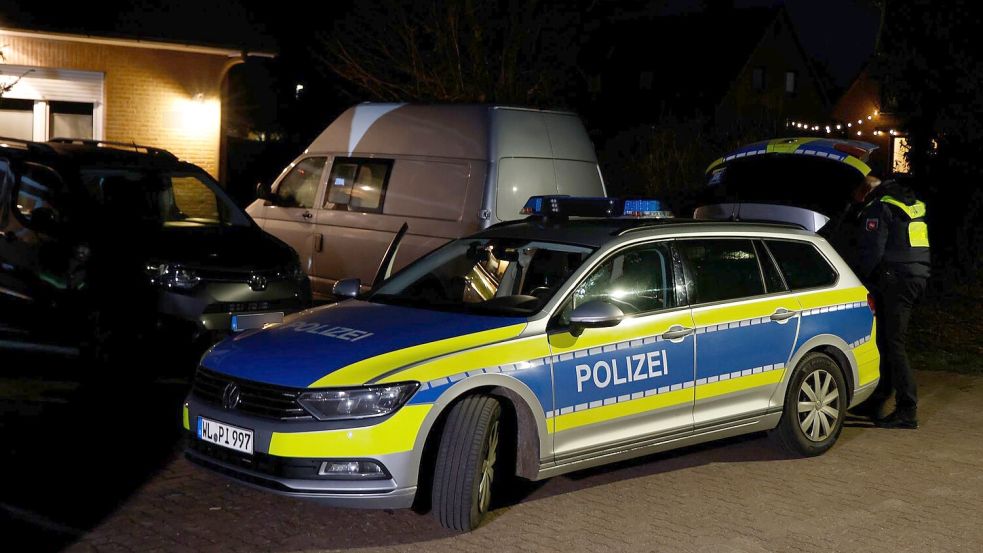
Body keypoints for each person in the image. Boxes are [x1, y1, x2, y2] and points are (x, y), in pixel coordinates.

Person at [848, 175, 931, 429]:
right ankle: (877, 400)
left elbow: (873, 250)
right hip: (917, 275)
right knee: (885, 340)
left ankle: (907, 409)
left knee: (893, 343)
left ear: (865, 191)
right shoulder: (912, 203)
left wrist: (857, 278)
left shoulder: (880, 206)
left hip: (895, 278)